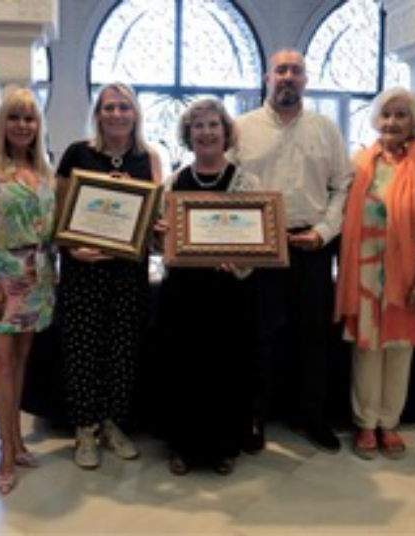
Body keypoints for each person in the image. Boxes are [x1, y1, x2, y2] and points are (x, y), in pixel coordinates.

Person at [233, 48, 353, 453]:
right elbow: (227, 185)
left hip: (312, 246)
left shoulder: (326, 129)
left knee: (313, 336)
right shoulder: (241, 128)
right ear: (267, 77)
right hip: (260, 249)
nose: (288, 76)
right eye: (281, 69)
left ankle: (312, 418)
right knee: (258, 336)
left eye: (296, 71)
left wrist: (324, 231)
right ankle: (254, 418)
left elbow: (343, 187)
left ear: (306, 79)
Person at [334, 88, 415, 460]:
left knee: (400, 350)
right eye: (386, 115)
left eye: (401, 115)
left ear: (413, 122)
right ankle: (365, 424)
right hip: (364, 274)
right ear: (376, 120)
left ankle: (389, 424)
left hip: (407, 274)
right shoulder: (359, 163)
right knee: (366, 350)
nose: (392, 122)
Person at [55, 82, 162, 470]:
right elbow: (59, 214)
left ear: (135, 113)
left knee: (122, 349)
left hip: (128, 270)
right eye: (108, 107)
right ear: (97, 114)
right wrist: (71, 248)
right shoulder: (77, 153)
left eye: (124, 107)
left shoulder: (148, 157)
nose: (116, 114)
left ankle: (113, 424)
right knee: (83, 348)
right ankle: (85, 429)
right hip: (83, 270)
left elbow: (153, 220)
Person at [157, 99, 258, 476]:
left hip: (228, 293)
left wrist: (242, 262)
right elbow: (159, 244)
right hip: (184, 294)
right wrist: (159, 236)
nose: (206, 132)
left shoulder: (247, 182)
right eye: (198, 126)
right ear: (188, 135)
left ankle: (224, 446)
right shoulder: (173, 183)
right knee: (185, 370)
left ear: (225, 132)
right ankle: (182, 446)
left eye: (213, 125)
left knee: (226, 370)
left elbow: (258, 240)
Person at [0, 87, 56, 494]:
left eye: (30, 118)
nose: (23, 125)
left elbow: (53, 231)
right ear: (3, 124)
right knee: (1, 365)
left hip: (38, 277)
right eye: (15, 118)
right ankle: (4, 450)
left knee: (21, 363)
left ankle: (17, 439)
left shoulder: (45, 173)